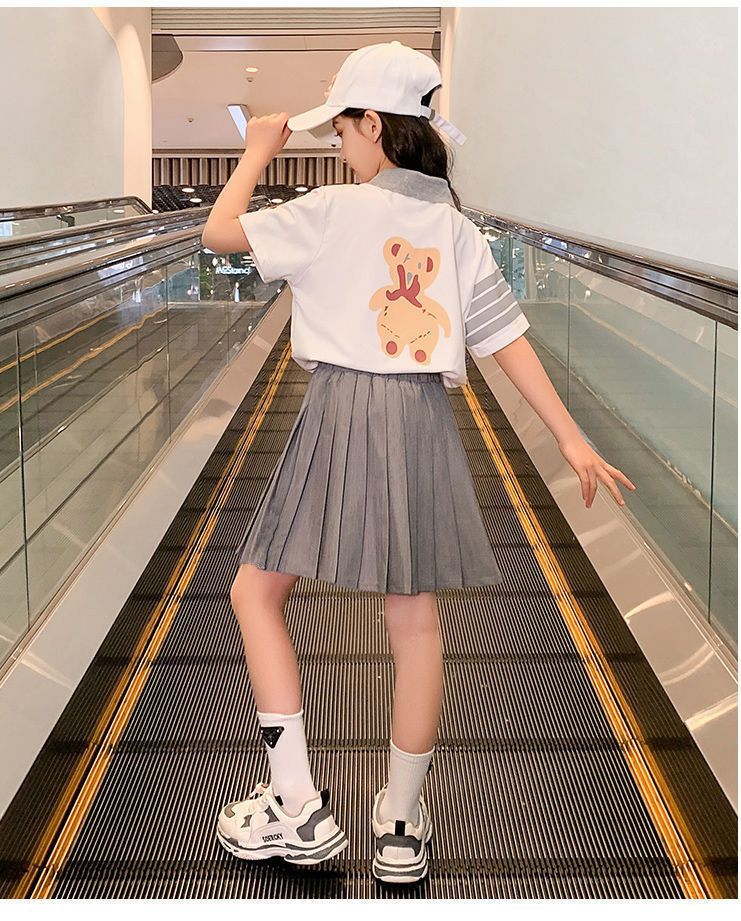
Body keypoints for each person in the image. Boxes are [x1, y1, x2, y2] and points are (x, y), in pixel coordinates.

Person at [200, 41, 636, 885]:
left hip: (336, 411)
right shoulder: (455, 228)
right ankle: (400, 824)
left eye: (342, 131)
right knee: (416, 622)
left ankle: (297, 803)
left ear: (373, 125)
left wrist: (258, 151)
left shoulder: (332, 209)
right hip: (423, 421)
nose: (339, 147)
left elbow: (219, 232)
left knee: (255, 591)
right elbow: (506, 338)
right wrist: (569, 436)